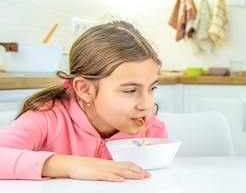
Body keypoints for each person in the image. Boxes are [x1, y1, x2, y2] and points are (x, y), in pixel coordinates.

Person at [0, 20, 167, 181]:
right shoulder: (48, 118)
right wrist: (72, 165)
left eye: (152, 88)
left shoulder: (154, 132)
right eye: (130, 90)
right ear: (85, 89)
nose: (146, 105)